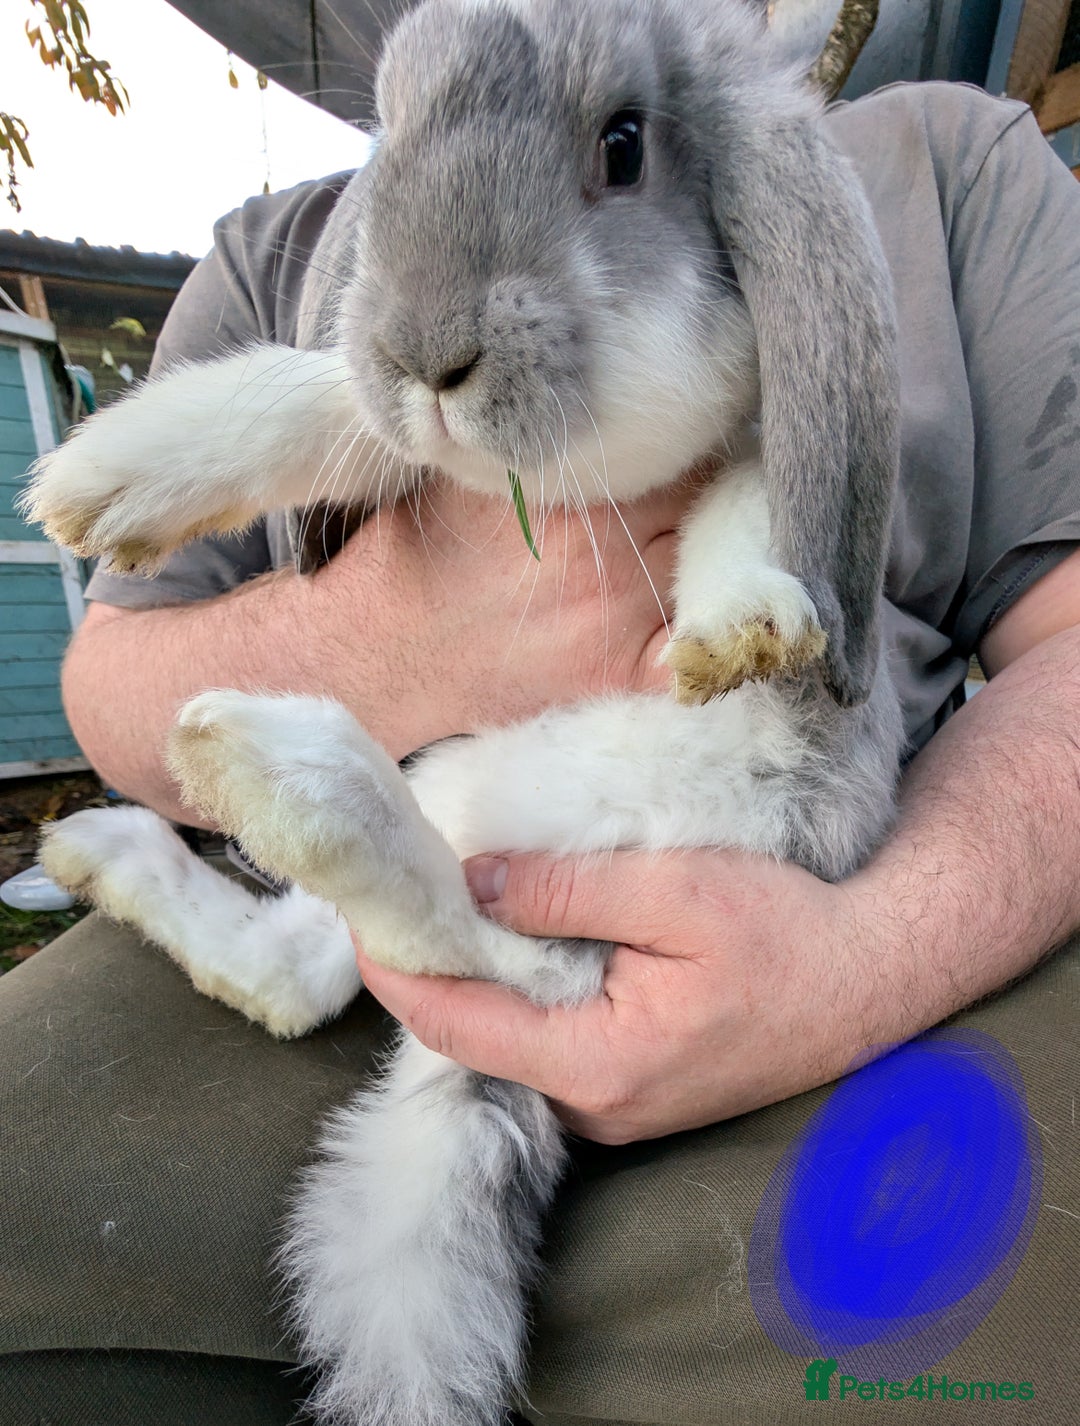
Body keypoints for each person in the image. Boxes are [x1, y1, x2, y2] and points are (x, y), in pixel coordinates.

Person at [2, 73, 1078, 1426]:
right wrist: (428, 630)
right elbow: (113, 677)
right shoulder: (267, 256)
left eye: (611, 148)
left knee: (991, 1337)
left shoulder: (936, 166)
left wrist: (871, 954)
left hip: (816, 887)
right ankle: (298, 910)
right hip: (386, 887)